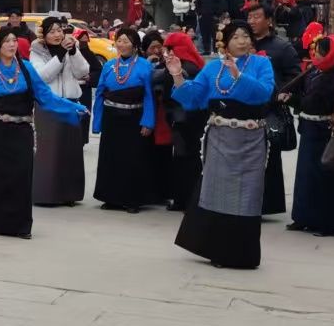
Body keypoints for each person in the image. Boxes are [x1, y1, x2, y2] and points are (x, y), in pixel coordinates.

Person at [0, 24, 88, 238]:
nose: (12, 45)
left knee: (21, 178)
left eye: (14, 41)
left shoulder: (26, 69)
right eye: (7, 41)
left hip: (22, 132)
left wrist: (72, 108)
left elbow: (45, 97)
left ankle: (19, 226)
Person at [165, 20, 276, 269]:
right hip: (220, 137)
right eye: (236, 37)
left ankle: (242, 255)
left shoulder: (261, 64)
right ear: (225, 43)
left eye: (245, 36)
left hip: (250, 139)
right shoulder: (213, 67)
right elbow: (194, 98)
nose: (242, 41)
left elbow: (264, 93)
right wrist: (177, 75)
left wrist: (239, 76)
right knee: (217, 192)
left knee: (247, 195)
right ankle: (216, 250)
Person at [287, 33, 334, 238]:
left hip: (330, 131)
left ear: (332, 53)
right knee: (306, 176)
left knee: (327, 179)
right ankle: (303, 218)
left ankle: (326, 223)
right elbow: (305, 96)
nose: (317, 57)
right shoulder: (314, 70)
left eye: (321, 53)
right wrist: (290, 98)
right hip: (309, 129)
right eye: (316, 53)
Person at [29, 16, 94, 206]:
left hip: (71, 104)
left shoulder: (71, 47)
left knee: (70, 151)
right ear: (44, 35)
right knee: (49, 151)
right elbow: (42, 77)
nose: (57, 35)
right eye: (52, 31)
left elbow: (83, 72)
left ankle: (69, 194)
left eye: (59, 30)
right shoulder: (36, 52)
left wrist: (73, 52)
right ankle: (47, 195)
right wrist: (59, 56)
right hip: (49, 106)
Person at [90, 25, 156, 212]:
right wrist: (97, 122)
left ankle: (132, 200)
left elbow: (149, 96)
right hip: (112, 118)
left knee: (133, 159)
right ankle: (110, 198)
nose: (121, 44)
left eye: (126, 41)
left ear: (135, 45)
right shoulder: (109, 65)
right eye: (119, 41)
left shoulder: (145, 66)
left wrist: (148, 121)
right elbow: (100, 94)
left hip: (134, 118)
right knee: (110, 158)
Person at [247, 3, 300, 218]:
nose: (251, 21)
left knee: (268, 158)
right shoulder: (242, 44)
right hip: (245, 108)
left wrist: (281, 93)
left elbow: (294, 76)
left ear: (269, 21)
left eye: (256, 17)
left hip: (269, 109)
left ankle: (267, 204)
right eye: (250, 17)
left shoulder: (282, 47)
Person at [158, 32, 206, 210]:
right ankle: (192, 198)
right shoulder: (197, 66)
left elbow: (168, 95)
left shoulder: (176, 68)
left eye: (169, 48)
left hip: (181, 120)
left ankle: (182, 199)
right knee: (193, 159)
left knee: (182, 159)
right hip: (196, 119)